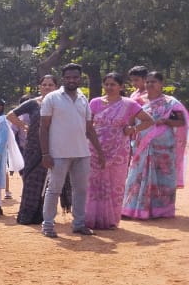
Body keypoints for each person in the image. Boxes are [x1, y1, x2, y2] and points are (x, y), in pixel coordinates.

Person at [40, 63, 105, 238]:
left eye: (75, 77)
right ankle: (47, 225)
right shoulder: (52, 98)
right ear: (63, 79)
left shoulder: (83, 99)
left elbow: (89, 129)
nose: (71, 80)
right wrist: (45, 153)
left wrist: (99, 152)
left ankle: (79, 224)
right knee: (54, 189)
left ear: (80, 78)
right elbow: (43, 127)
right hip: (58, 153)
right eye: (68, 77)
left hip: (82, 153)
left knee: (81, 190)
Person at [88, 73, 152, 229]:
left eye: (113, 84)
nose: (109, 87)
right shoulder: (95, 102)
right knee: (92, 183)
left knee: (115, 183)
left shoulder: (128, 104)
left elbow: (149, 120)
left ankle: (110, 220)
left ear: (121, 87)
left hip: (118, 150)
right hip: (95, 148)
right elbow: (88, 124)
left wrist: (133, 129)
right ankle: (91, 219)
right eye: (107, 84)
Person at [122, 71, 186, 219]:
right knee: (137, 175)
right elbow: (130, 121)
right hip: (142, 145)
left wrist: (165, 121)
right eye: (148, 82)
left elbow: (181, 122)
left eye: (154, 82)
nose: (150, 84)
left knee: (162, 177)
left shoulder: (171, 103)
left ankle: (161, 210)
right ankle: (132, 209)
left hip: (164, 147)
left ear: (162, 84)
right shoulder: (138, 101)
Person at [7, 75, 60, 225]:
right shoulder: (32, 104)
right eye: (44, 84)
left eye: (50, 84)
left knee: (47, 182)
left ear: (56, 87)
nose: (47, 87)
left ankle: (43, 215)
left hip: (53, 146)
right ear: (39, 87)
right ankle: (27, 215)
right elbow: (10, 115)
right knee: (31, 181)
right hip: (33, 148)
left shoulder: (60, 103)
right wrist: (23, 126)